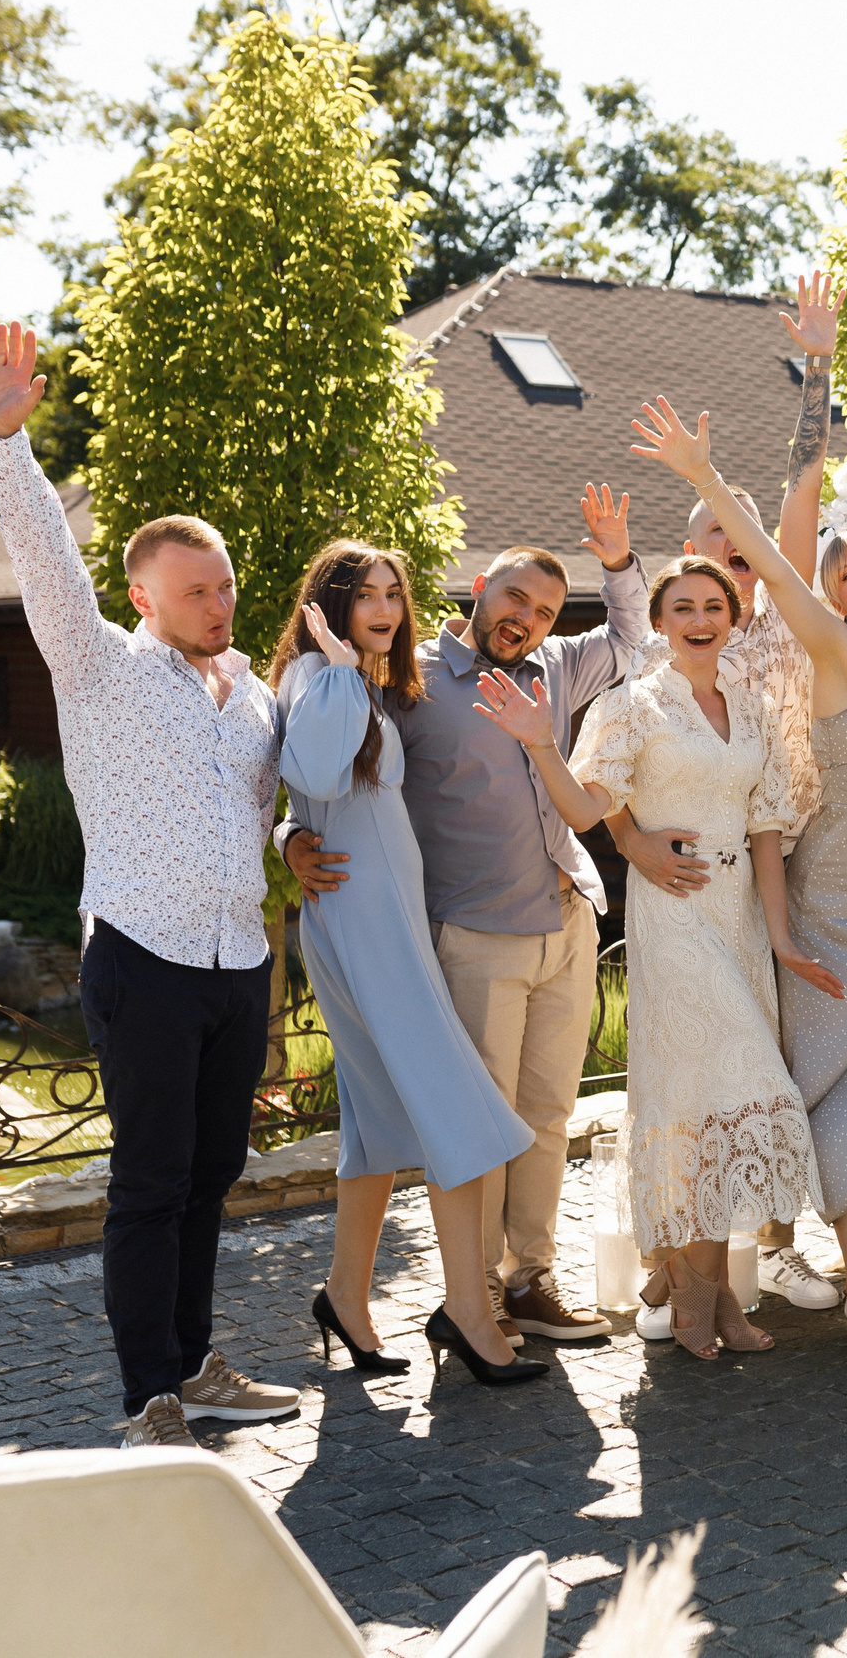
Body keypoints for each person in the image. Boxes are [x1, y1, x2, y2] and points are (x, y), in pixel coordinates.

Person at [0, 323, 301, 1445]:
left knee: (211, 1177)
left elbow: (267, 807)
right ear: (143, 593)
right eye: (198, 589)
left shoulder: (253, 700)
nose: (221, 601)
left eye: (227, 585)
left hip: (236, 966)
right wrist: (4, 444)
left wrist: (292, 848)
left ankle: (196, 1360)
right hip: (145, 959)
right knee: (149, 1181)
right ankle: (148, 1395)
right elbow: (41, 559)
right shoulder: (96, 664)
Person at [283, 495, 648, 1350]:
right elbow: (321, 765)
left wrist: (621, 560)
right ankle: (471, 1289)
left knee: (548, 1111)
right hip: (471, 932)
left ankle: (530, 1276)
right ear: (478, 590)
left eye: (547, 611)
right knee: (473, 1120)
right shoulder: (406, 682)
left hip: (565, 919)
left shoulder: (559, 666)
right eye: (515, 599)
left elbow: (635, 639)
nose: (527, 620)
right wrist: (288, 835)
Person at [632, 392, 847, 1363]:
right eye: (846, 574)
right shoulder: (822, 649)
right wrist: (699, 475)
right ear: (836, 598)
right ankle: (840, 1294)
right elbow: (776, 548)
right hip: (816, 898)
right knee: (818, 1096)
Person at [475, 554, 823, 1360]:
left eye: (714, 606)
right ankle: (698, 1305)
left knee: (714, 1116)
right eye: (683, 607)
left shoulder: (753, 705)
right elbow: (590, 807)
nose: (700, 619)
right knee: (718, 1103)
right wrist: (539, 745)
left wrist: (778, 936)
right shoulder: (632, 705)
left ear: (732, 618)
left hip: (738, 924)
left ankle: (711, 1299)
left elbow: (767, 827)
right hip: (674, 922)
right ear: (661, 622)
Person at [604, 273, 842, 1317]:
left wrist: (818, 366)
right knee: (701, 1065)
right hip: (708, 865)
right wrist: (633, 842)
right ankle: (683, 1266)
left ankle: (773, 1248)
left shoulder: (778, 625)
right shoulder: (680, 645)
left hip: (794, 851)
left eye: (734, 542)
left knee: (774, 1055)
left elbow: (803, 485)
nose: (717, 555)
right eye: (701, 540)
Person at [271, 544, 544, 1388]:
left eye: (396, 592)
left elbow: (306, 799)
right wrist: (344, 671)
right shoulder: (322, 677)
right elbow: (311, 769)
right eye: (366, 594)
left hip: (378, 918)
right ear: (332, 605)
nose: (385, 607)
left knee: (378, 1125)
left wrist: (289, 836)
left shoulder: (361, 683)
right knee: (463, 1116)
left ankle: (345, 1295)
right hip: (366, 923)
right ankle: (466, 1310)